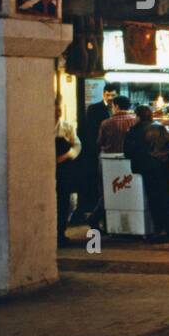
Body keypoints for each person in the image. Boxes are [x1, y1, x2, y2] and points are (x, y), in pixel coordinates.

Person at [125, 105, 169, 242]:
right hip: (168, 165)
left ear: (138, 116)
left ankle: (160, 231)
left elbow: (128, 151)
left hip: (151, 167)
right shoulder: (160, 126)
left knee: (156, 200)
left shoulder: (135, 130)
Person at [79, 82, 117, 219]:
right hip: (98, 150)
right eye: (108, 95)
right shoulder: (94, 109)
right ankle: (96, 212)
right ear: (103, 94)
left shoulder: (116, 109)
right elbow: (90, 131)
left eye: (113, 95)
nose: (110, 98)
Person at [55, 103, 82, 247]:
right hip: (46, 169)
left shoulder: (66, 127)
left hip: (64, 169)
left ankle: (60, 233)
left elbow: (77, 145)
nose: (57, 112)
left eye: (58, 110)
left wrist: (65, 156)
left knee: (63, 201)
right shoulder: (39, 125)